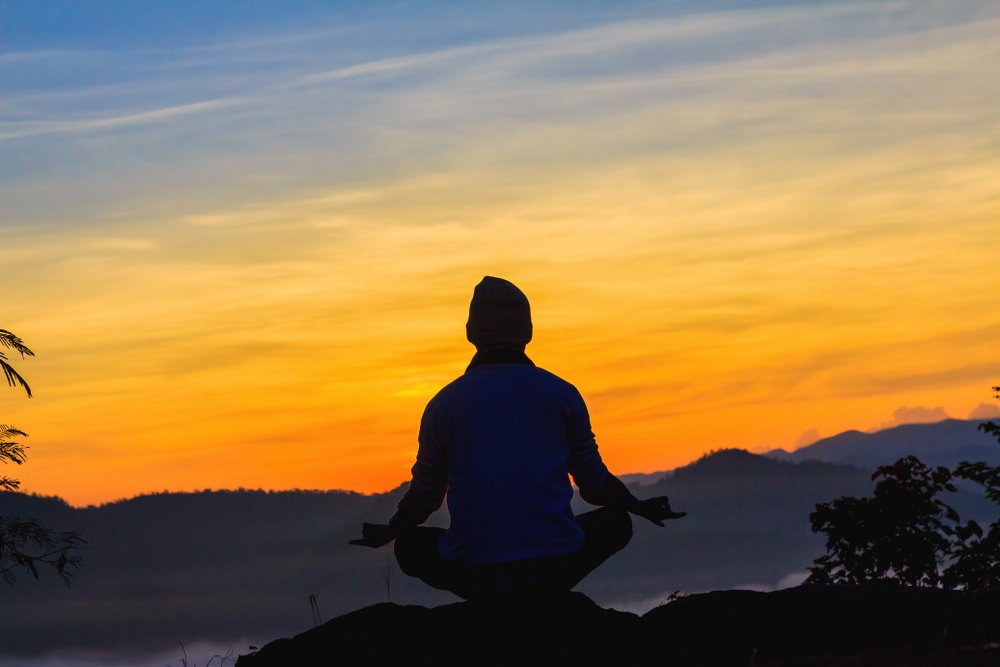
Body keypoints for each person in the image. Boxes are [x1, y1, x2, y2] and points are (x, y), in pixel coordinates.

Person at [350, 276, 685, 599]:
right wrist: (638, 507)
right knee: (617, 522)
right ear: (528, 332)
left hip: (474, 572)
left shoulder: (443, 405)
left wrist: (393, 530)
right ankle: (541, 601)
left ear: (470, 333)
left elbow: (425, 496)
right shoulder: (561, 394)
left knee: (410, 545)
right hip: (553, 565)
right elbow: (595, 485)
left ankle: (492, 605)